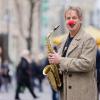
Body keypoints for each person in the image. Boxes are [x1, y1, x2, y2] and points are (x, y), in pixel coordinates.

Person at [48, 6, 97, 100]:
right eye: (68, 18)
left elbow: (87, 64)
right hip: (66, 95)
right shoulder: (64, 41)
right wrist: (54, 65)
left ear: (80, 20)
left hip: (83, 95)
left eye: (74, 18)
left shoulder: (88, 39)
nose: (71, 21)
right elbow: (61, 65)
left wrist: (60, 60)